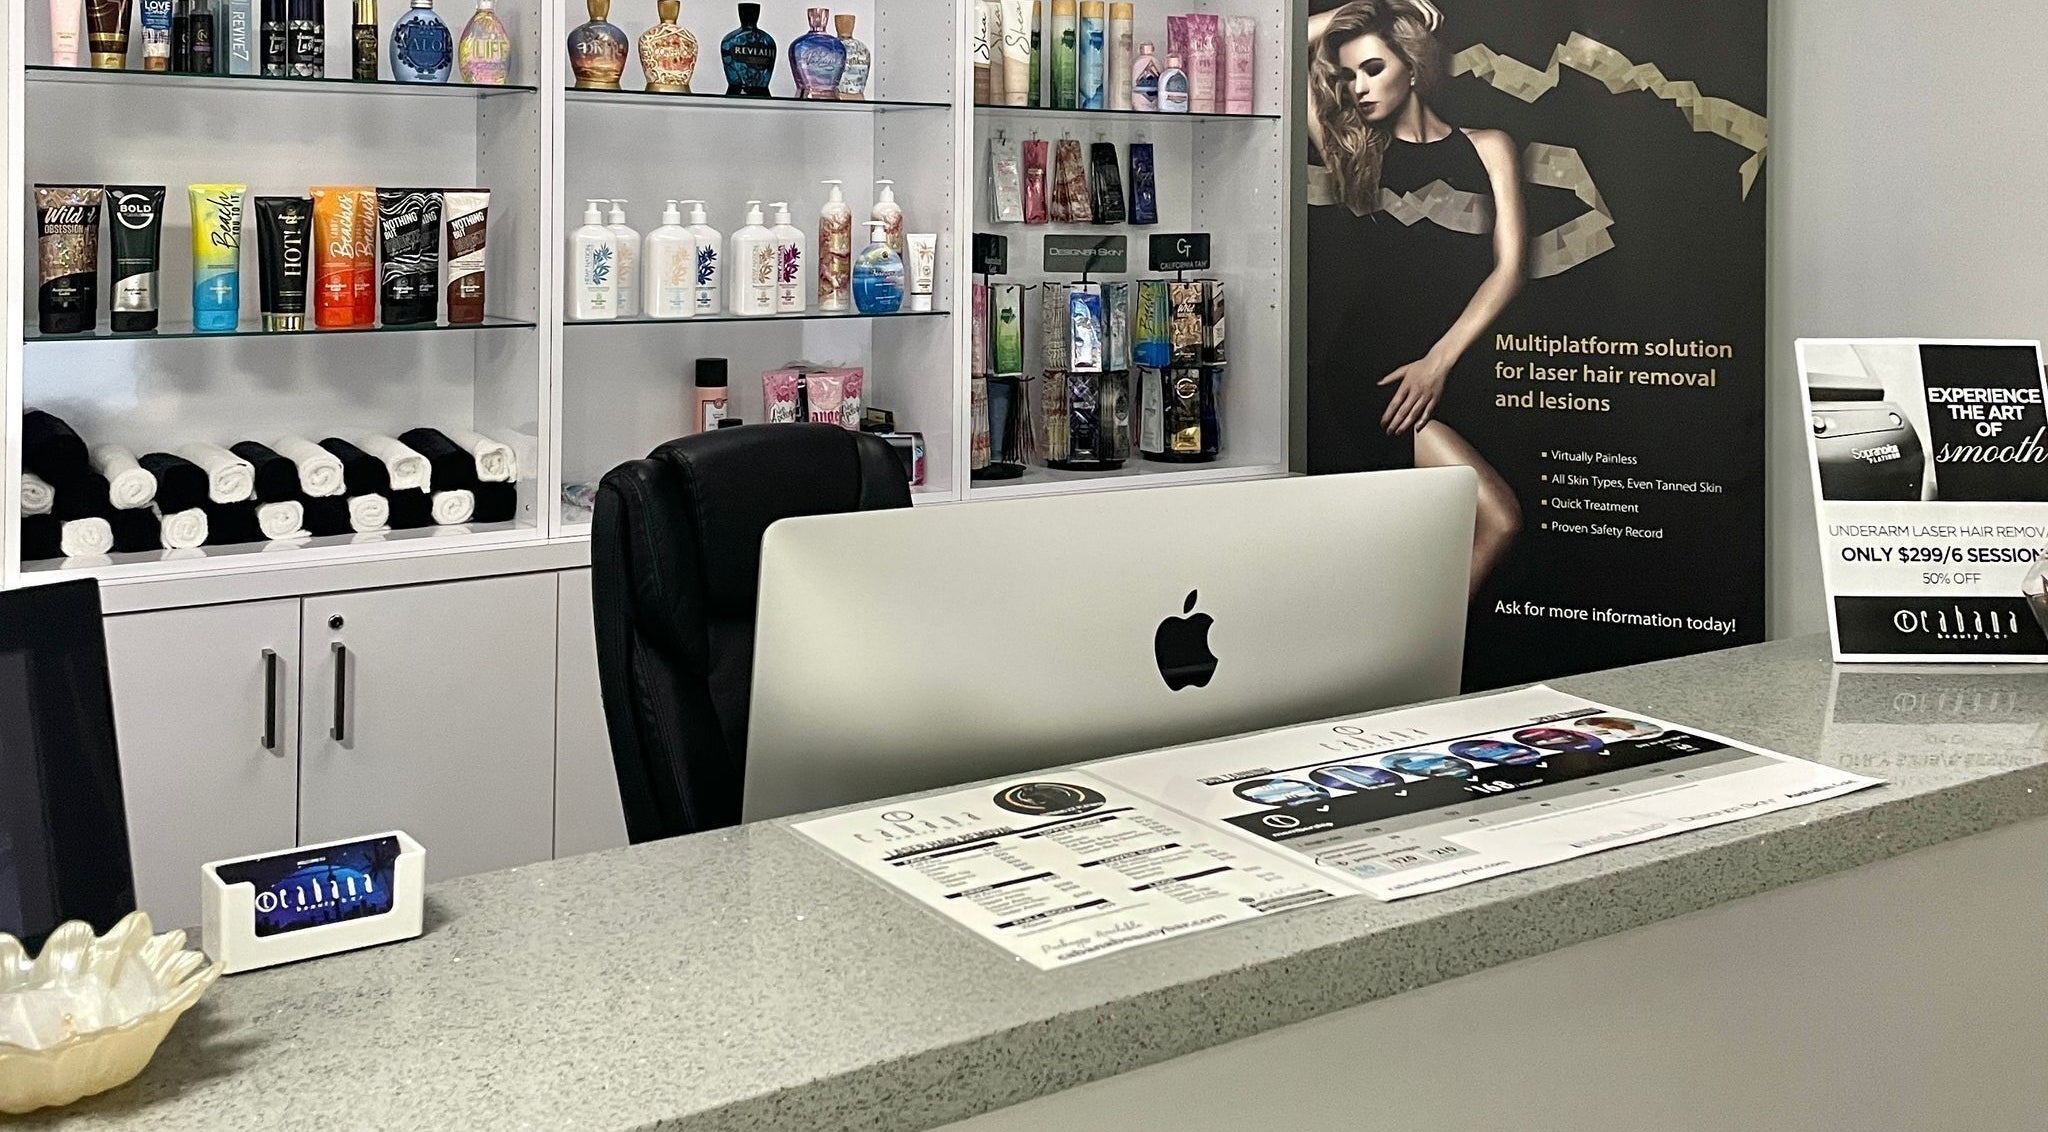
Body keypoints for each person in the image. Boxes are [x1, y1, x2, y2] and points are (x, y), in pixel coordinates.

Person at [1306, 0, 1524, 595]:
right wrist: (1376, 5)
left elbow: (1509, 271)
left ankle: (1398, 642)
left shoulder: (1490, 147)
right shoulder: (1356, 154)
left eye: (1373, 68)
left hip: (1445, 373)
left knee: (1418, 547)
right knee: (1499, 519)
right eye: (1347, 75)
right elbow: (1286, 45)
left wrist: (1438, 363)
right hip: (1374, 378)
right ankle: (1416, 645)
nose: (1358, 88)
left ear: (1412, 64)